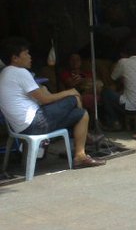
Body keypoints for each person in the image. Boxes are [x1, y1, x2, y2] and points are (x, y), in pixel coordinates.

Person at [0, 38, 105, 169]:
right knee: (73, 98)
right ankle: (84, 142)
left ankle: (80, 154)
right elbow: (45, 99)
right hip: (34, 123)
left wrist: (45, 92)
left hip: (22, 127)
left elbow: (38, 97)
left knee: (81, 114)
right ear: (15, 58)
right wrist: (69, 91)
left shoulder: (5, 73)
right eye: (26, 54)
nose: (30, 57)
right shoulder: (20, 72)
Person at [101, 39, 136, 130]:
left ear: (124, 53)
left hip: (130, 108)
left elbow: (112, 80)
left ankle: (114, 122)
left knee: (106, 93)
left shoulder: (123, 62)